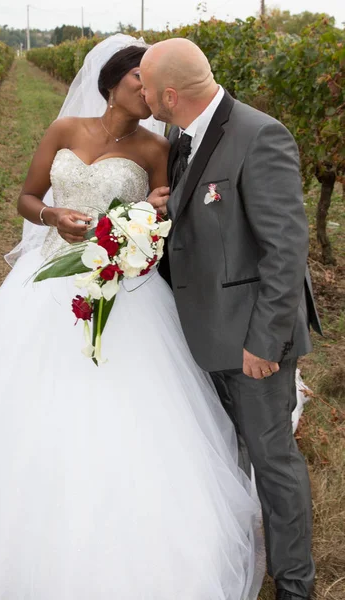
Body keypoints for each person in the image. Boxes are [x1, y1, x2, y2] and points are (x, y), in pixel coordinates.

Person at [0, 36, 264, 599]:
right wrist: (51, 215)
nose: (149, 92)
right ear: (113, 81)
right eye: (139, 80)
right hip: (45, 283)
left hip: (121, 287)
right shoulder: (65, 131)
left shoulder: (155, 147)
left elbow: (171, 214)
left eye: (153, 82)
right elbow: (26, 196)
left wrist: (150, 218)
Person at [140, 38, 322, 600]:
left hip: (251, 341)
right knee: (226, 457)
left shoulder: (260, 136)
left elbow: (285, 251)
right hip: (201, 333)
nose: (140, 93)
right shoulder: (179, 135)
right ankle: (236, 560)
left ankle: (295, 585)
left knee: (272, 463)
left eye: (145, 85)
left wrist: (265, 343)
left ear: (170, 94)